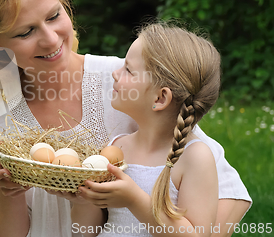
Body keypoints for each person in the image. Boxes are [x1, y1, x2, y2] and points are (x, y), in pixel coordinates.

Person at [0, 0, 251, 237]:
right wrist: (8, 193)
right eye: (25, 32)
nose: (50, 39)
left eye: (54, 15)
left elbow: (228, 191)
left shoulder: (127, 81)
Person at [72, 23, 229, 237]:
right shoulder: (117, 147)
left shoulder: (195, 157)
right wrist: (84, 200)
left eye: (128, 69)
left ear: (160, 98)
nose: (116, 74)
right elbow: (84, 233)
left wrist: (134, 200)